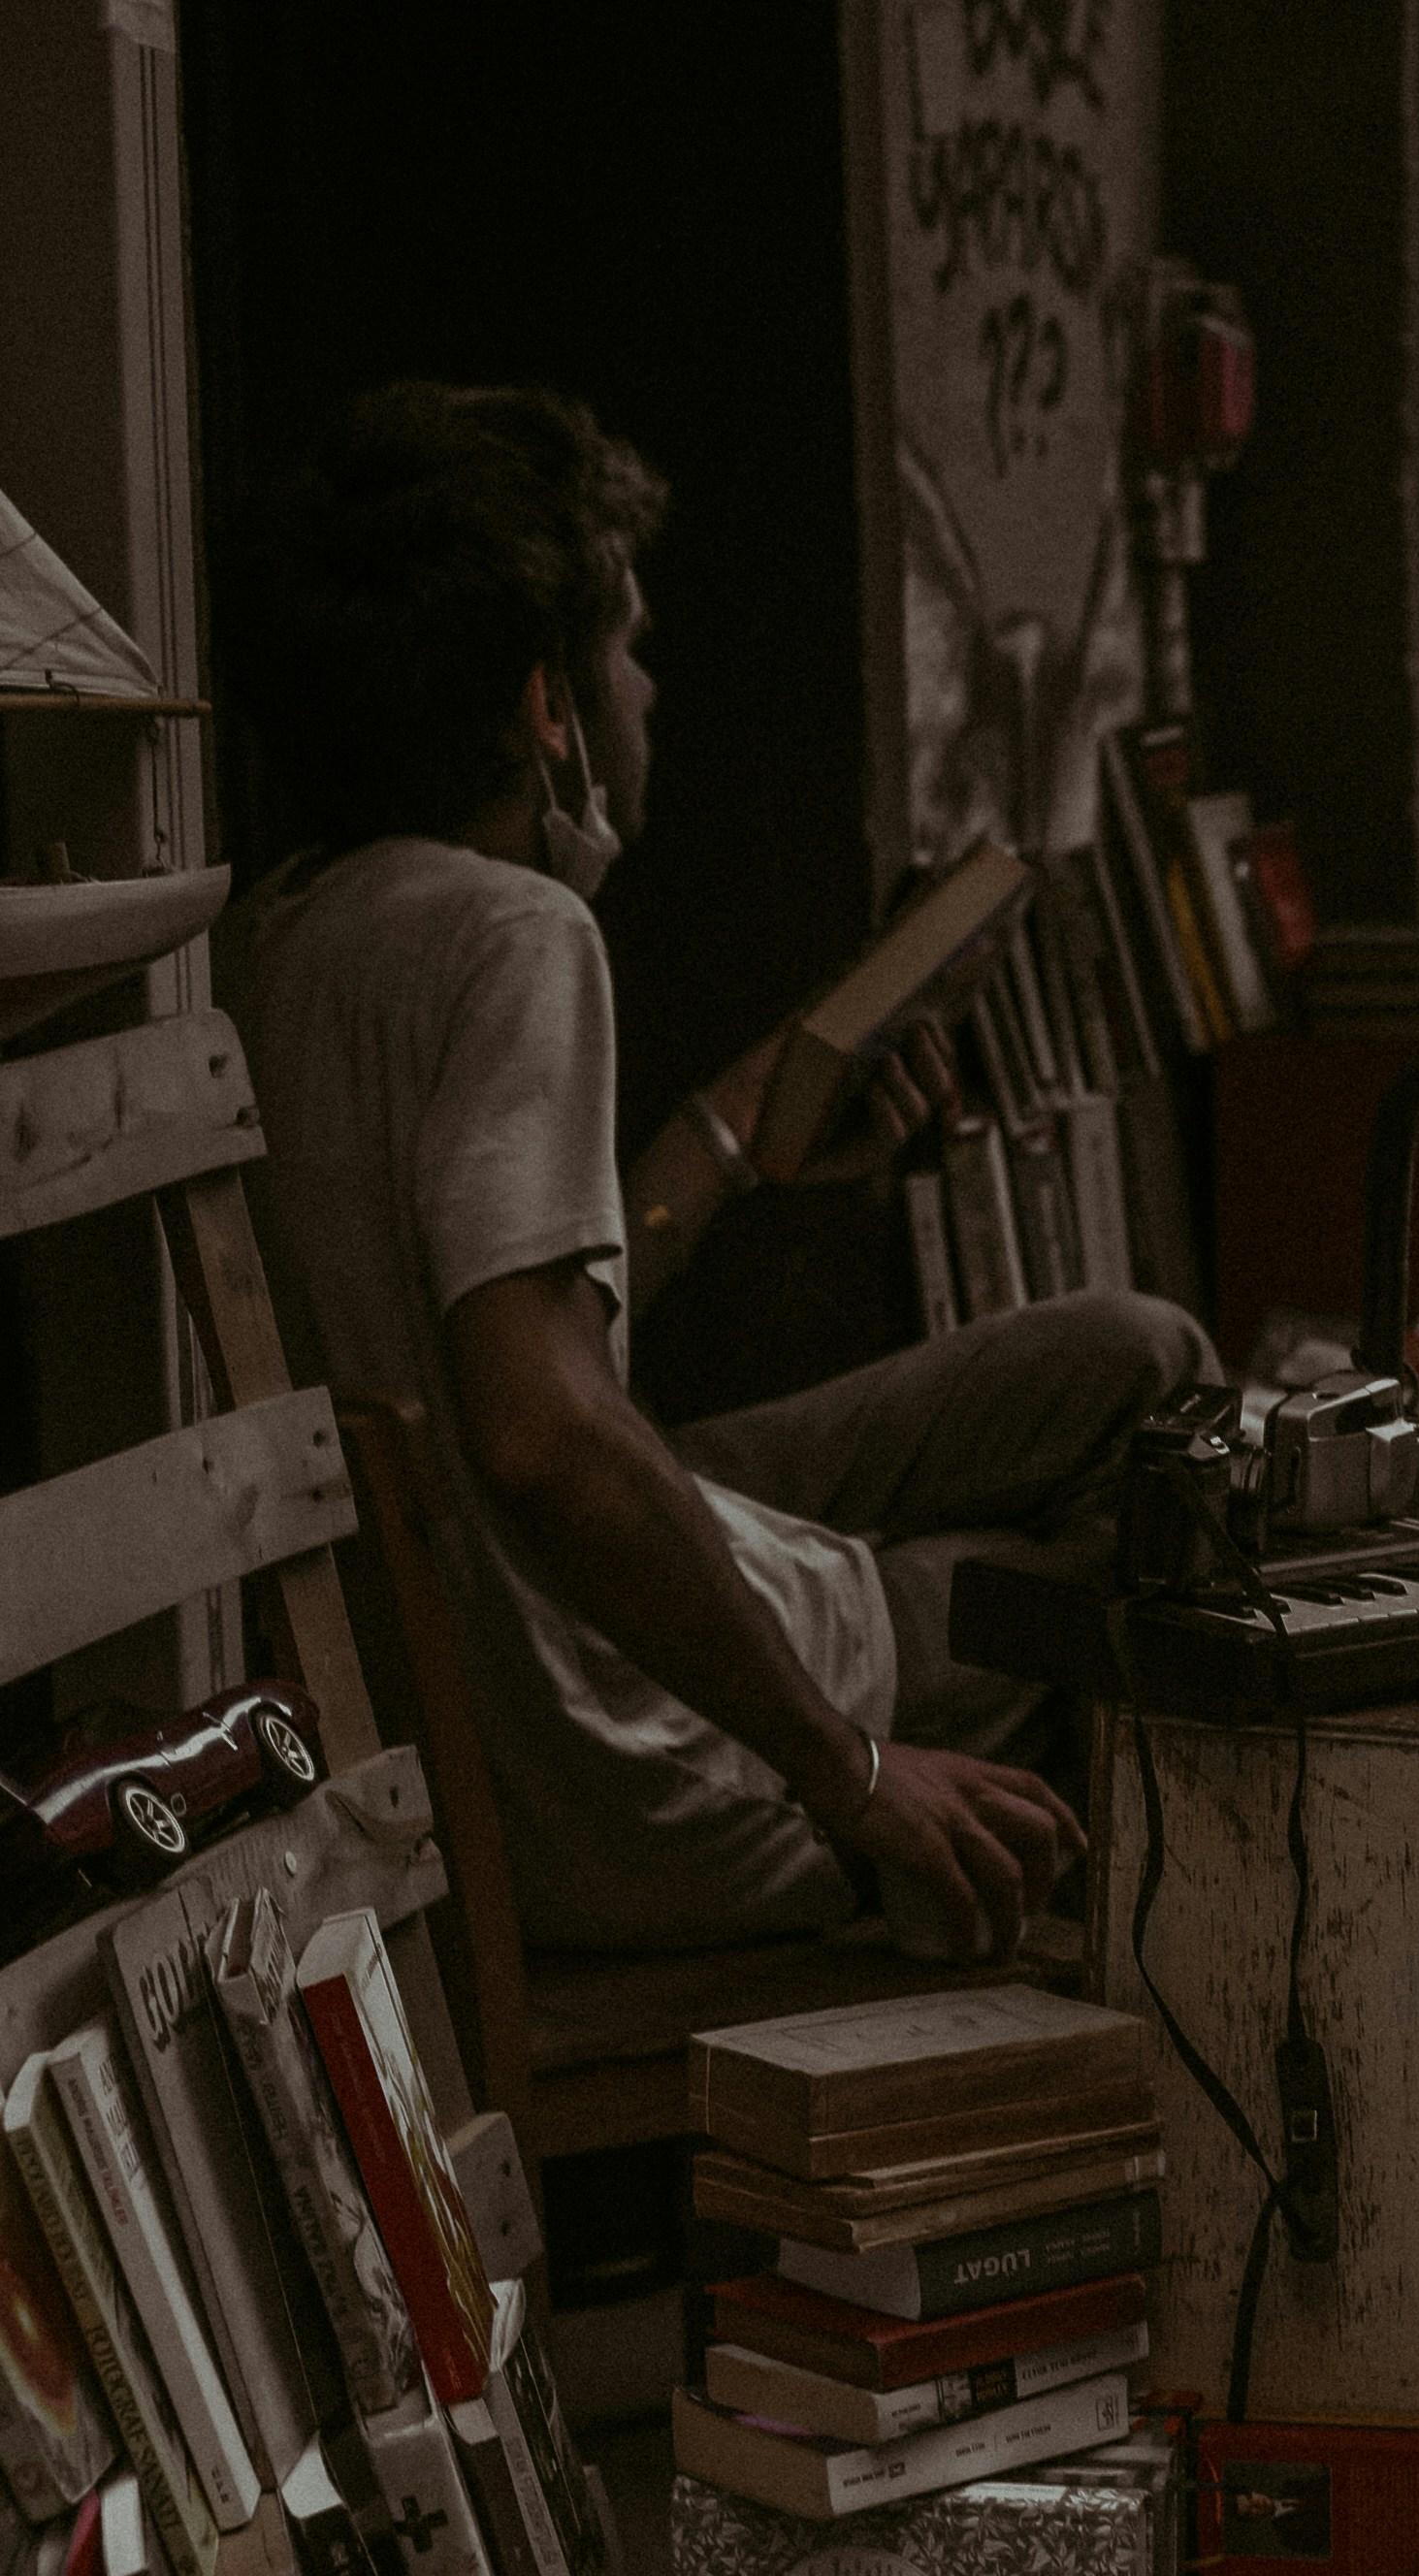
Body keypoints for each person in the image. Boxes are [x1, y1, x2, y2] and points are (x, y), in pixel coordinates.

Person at [218, 383, 1216, 1963]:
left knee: (1128, 1357)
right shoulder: (514, 935)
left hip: (507, 1655)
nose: (648, 686)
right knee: (1147, 1529)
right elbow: (543, 1433)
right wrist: (848, 1771)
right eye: (628, 648)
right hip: (637, 1768)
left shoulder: (283, 934)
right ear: (547, 708)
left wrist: (743, 1135)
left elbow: (521, 1339)